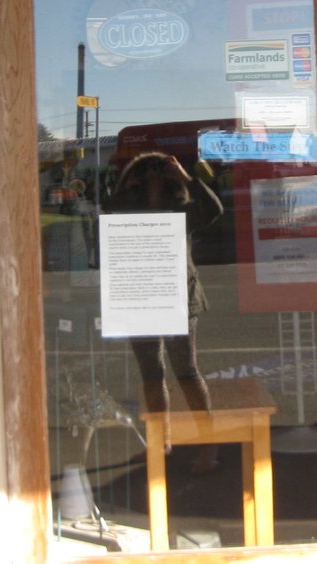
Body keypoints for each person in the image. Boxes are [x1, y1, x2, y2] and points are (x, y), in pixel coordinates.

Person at [107, 151, 223, 470]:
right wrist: (126, 186)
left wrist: (185, 177)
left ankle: (208, 446)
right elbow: (106, 214)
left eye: (160, 172)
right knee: (151, 374)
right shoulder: (127, 208)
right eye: (147, 173)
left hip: (177, 299)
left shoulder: (181, 211)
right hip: (139, 295)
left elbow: (214, 209)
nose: (154, 178)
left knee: (186, 372)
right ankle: (160, 442)